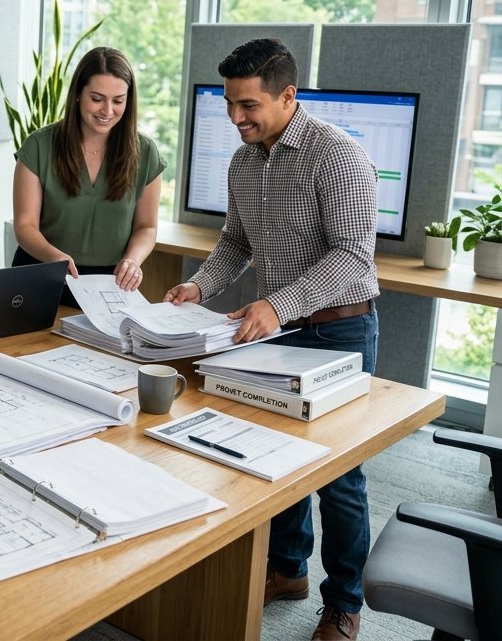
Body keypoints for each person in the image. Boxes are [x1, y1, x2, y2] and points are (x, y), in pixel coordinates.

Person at [164, 38, 379, 641]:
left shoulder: (338, 156)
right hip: (277, 328)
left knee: (339, 477)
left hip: (339, 329)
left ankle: (345, 603)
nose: (236, 118)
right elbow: (236, 242)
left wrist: (279, 304)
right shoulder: (242, 162)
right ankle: (288, 570)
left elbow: (353, 256)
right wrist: (199, 287)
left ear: (288, 96)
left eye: (249, 105)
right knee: (274, 456)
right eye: (230, 105)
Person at [12, 46, 165, 301]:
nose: (107, 110)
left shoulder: (146, 152)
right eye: (97, 99)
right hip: (42, 274)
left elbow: (146, 226)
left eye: (118, 101)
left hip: (110, 284)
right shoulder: (39, 146)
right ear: (77, 95)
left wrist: (132, 261)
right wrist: (55, 257)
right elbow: (25, 226)